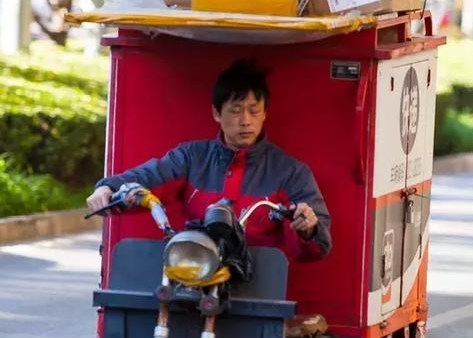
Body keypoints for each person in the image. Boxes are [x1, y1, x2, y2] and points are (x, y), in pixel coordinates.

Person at [86, 59, 331, 261]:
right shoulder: (192, 157)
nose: (245, 120)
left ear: (265, 113)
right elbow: (149, 177)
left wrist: (308, 228)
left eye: (254, 110)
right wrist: (107, 188)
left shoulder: (290, 171)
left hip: (258, 281)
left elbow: (319, 247)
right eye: (235, 110)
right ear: (216, 113)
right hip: (193, 269)